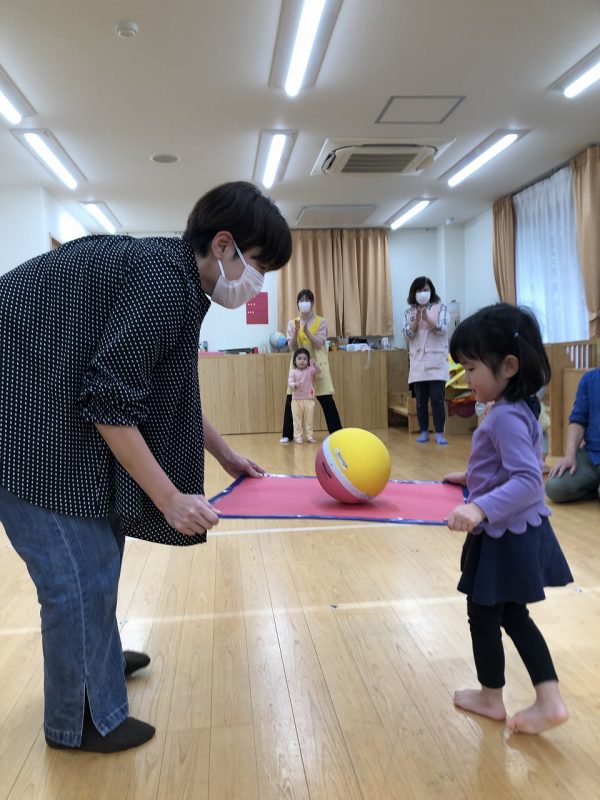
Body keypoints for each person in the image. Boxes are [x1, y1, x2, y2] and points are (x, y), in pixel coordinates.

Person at [0, 181, 292, 753]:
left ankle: (98, 661)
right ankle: (82, 720)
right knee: (77, 574)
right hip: (21, 424)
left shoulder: (176, 277)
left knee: (100, 549)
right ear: (223, 245)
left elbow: (165, 389)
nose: (258, 282)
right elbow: (111, 402)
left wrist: (226, 454)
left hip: (46, 412)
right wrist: (170, 498)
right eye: (258, 266)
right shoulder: (162, 281)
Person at [443, 303, 572, 734]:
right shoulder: (518, 408)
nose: (466, 378)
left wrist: (479, 506)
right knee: (513, 615)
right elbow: (514, 465)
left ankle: (491, 697)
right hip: (516, 530)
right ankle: (549, 701)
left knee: (484, 613)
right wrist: (472, 478)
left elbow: (529, 481)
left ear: (509, 366)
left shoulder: (504, 418)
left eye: (471, 368)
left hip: (504, 533)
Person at [279, 289, 342, 443]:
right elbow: (292, 346)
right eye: (301, 300)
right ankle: (287, 434)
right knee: (292, 398)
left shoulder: (321, 322)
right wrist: (296, 332)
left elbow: (320, 343)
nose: (304, 303)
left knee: (326, 399)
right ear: (297, 304)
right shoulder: (292, 323)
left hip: (316, 365)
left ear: (312, 303)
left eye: (307, 300)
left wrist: (306, 331)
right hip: (298, 367)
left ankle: (337, 433)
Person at [402, 276, 449, 445]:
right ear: (414, 293)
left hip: (436, 361)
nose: (423, 293)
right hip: (418, 362)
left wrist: (427, 318)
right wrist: (416, 321)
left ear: (431, 291)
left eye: (426, 290)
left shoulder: (441, 307)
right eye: (419, 290)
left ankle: (439, 432)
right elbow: (407, 334)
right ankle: (423, 431)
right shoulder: (409, 312)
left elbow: (443, 329)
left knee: (437, 399)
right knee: (421, 400)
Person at [545, 367, 600, 502]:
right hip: (591, 456)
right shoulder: (589, 378)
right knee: (554, 487)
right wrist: (570, 456)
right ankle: (595, 490)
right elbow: (577, 420)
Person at [288, 347, 321, 444]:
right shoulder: (293, 371)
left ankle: (309, 436)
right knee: (297, 420)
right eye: (299, 358)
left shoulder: (310, 370)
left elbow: (318, 371)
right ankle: (298, 436)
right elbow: (290, 382)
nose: (302, 361)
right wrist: (295, 384)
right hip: (296, 400)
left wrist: (314, 364)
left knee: (309, 419)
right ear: (295, 360)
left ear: (308, 360)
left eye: (305, 359)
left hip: (308, 399)